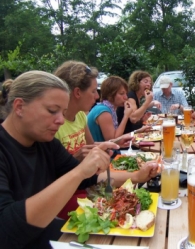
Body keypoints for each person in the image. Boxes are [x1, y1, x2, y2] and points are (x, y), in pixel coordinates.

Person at [0, 70, 119, 248]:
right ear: (19, 107)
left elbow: (88, 178)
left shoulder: (45, 142)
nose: (61, 121)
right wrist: (79, 172)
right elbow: (7, 229)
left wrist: (140, 176)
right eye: (52, 111)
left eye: (62, 112)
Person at [54, 62, 158, 219]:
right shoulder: (55, 125)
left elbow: (91, 147)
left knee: (135, 197)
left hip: (90, 179)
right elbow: (53, 173)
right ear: (77, 92)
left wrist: (117, 140)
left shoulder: (81, 115)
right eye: (93, 91)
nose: (97, 96)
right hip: (73, 192)